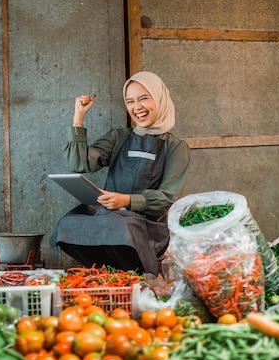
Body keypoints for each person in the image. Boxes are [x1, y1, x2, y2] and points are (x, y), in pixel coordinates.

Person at [49, 71, 191, 275]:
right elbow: (79, 163)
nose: (137, 107)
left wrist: (126, 201)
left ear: (160, 100)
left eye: (143, 98)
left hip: (146, 225)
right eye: (130, 101)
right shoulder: (119, 137)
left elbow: (166, 197)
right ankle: (104, 273)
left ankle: (131, 277)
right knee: (68, 223)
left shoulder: (176, 147)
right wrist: (78, 117)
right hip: (109, 216)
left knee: (123, 229)